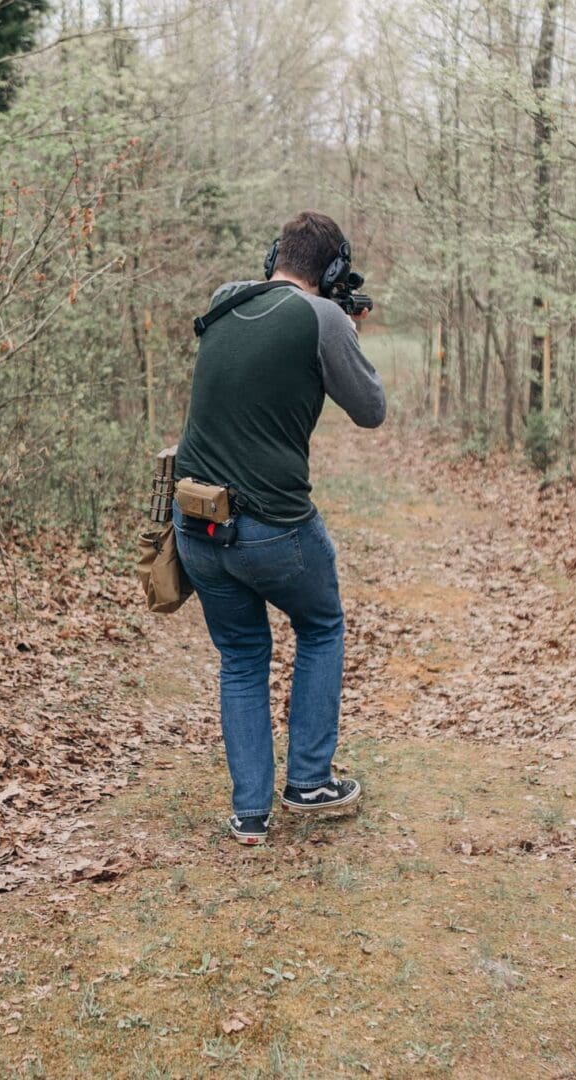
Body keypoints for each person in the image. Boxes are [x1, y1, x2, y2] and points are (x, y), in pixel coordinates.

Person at [172, 210, 387, 846]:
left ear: (274, 256)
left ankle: (250, 813)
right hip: (275, 529)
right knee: (321, 625)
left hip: (197, 521)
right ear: (334, 271)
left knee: (241, 657)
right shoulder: (323, 319)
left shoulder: (225, 299)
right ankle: (309, 782)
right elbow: (371, 409)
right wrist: (347, 331)